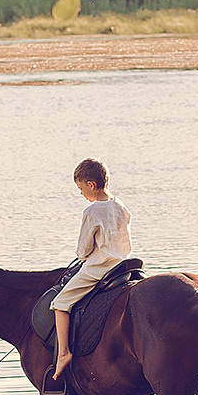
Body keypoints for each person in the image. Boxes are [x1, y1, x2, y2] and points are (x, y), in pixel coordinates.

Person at [52, 159, 132, 379]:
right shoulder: (120, 205)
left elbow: (84, 249)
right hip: (122, 265)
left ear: (91, 184)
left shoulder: (93, 211)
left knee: (60, 303)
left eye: (81, 189)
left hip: (99, 268)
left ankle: (64, 353)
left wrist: (84, 257)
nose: (81, 194)